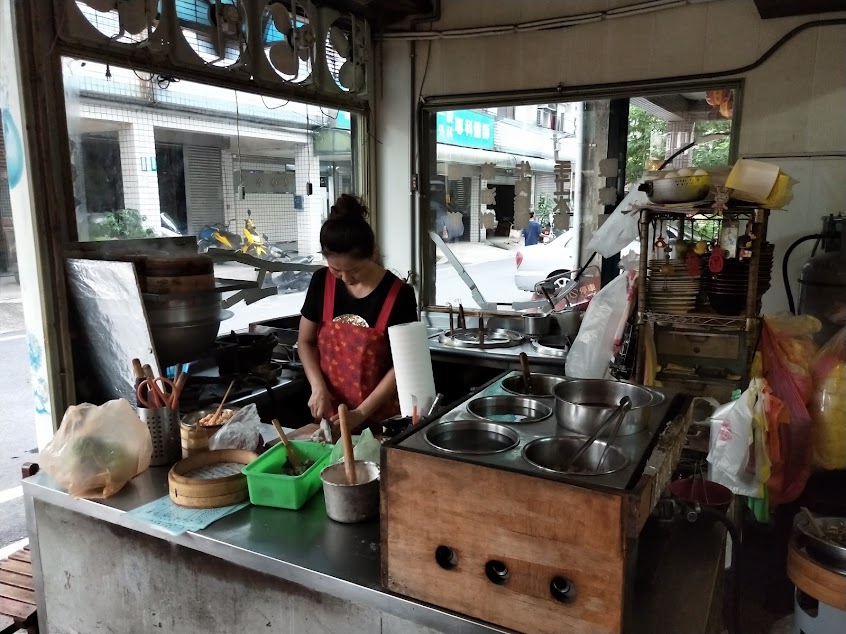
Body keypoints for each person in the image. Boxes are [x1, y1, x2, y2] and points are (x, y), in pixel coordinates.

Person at [298, 194, 418, 433]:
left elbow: (402, 366)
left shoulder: (398, 294)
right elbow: (305, 341)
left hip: (380, 419)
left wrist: (361, 412)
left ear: (372, 253)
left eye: (355, 270)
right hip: (330, 418)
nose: (346, 279)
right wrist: (317, 387)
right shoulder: (321, 282)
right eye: (336, 269)